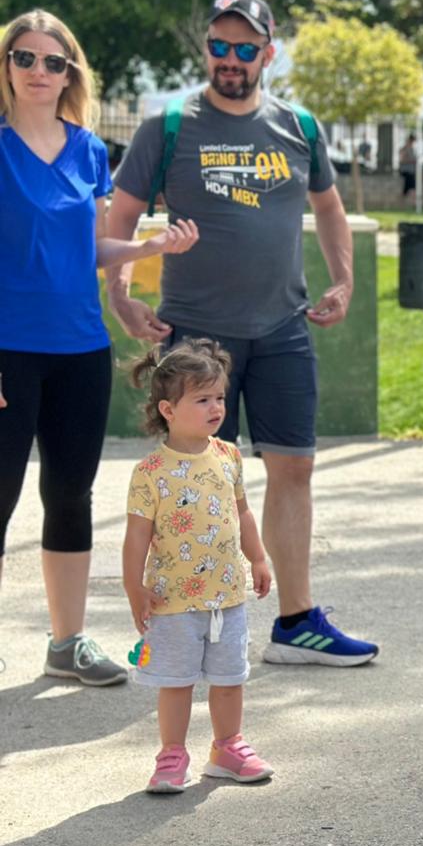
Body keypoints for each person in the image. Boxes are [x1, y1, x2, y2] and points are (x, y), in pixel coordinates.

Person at [106, 0, 378, 667]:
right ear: (207, 51)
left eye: (244, 47)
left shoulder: (298, 126)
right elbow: (119, 215)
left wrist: (343, 281)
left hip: (283, 327)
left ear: (267, 52)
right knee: (195, 483)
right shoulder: (169, 126)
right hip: (197, 336)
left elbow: (331, 208)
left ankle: (295, 622)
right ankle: (187, 623)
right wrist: (120, 296)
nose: (230, 59)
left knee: (294, 470)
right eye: (218, 46)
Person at [1, 9, 199, 685]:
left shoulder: (87, 149)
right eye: (23, 58)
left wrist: (147, 248)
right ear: (6, 67)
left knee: (70, 493)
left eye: (52, 62)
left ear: (70, 73)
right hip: (7, 348)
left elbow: (91, 247)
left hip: (79, 347)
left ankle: (66, 644)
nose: (37, 71)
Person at [122, 339, 275, 792]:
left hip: (227, 595)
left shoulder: (228, 456)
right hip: (172, 600)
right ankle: (172, 755)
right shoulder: (151, 471)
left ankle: (228, 748)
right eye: (203, 399)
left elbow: (242, 511)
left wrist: (259, 556)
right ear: (168, 409)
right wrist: (134, 587)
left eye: (220, 398)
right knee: (177, 682)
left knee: (230, 679)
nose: (216, 407)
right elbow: (136, 536)